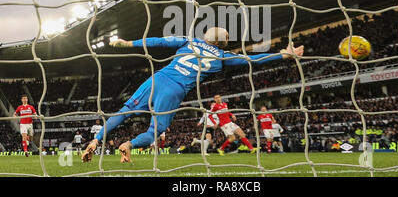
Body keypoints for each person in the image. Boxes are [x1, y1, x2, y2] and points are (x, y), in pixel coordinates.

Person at [81, 27, 303, 163]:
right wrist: (284, 55)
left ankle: (96, 139)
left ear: (208, 37)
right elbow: (252, 59)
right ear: (221, 43)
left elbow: (158, 40)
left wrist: (129, 43)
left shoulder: (190, 40)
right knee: (154, 131)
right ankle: (129, 144)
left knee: (126, 111)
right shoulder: (223, 56)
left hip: (157, 78)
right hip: (175, 90)